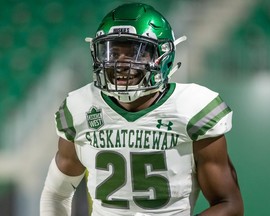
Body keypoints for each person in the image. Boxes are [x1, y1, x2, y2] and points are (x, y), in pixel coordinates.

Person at [40, 3, 244, 216]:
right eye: (113, 52)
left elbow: (229, 204)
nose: (121, 63)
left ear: (164, 56)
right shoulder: (80, 108)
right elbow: (56, 194)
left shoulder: (193, 109)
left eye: (136, 53)